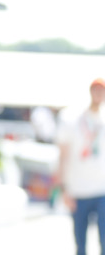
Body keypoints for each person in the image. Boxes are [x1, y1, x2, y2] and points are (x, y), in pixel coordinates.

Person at [56, 78, 105, 255]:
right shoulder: (72, 119)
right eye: (96, 90)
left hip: (102, 189)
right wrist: (63, 188)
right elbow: (63, 155)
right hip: (78, 190)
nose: (98, 94)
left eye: (102, 91)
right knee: (80, 244)